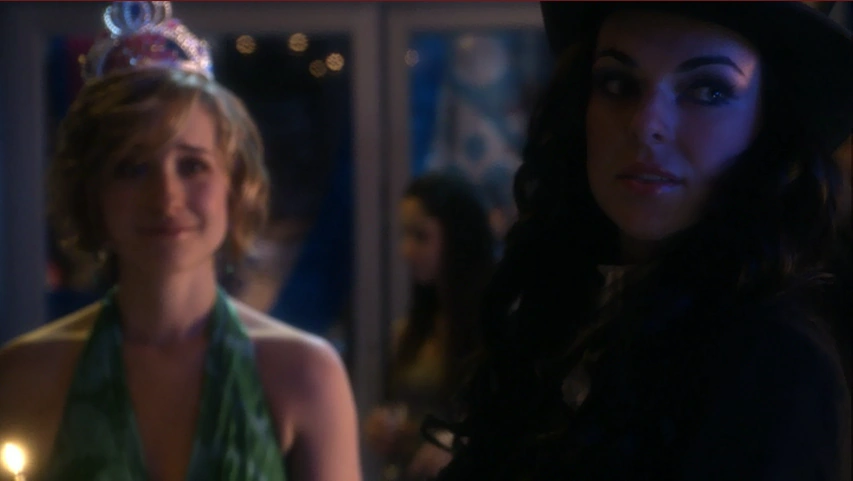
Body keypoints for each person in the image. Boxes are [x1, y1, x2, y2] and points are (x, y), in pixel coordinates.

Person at [427, 2, 853, 480]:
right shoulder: (558, 306)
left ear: (766, 126)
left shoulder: (777, 359)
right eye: (618, 84)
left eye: (708, 90)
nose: (646, 123)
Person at [0, 2, 361, 480]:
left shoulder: (305, 374)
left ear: (235, 184)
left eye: (192, 165)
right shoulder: (24, 374)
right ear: (92, 192)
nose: (165, 198)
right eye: (132, 167)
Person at [364, 172, 495, 481]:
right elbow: (401, 406)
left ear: (458, 238)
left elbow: (514, 424)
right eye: (405, 235)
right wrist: (383, 426)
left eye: (421, 236)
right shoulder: (413, 328)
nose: (406, 250)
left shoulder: (497, 327)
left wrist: (458, 444)